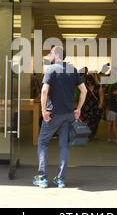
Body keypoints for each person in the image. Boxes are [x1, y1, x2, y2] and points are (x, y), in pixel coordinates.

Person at [33, 46, 87, 189]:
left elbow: (44, 91)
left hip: (53, 114)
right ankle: (61, 179)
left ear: (56, 55)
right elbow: (84, 90)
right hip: (68, 114)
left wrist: (44, 110)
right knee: (64, 145)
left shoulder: (50, 69)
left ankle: (43, 177)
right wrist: (78, 109)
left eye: (50, 53)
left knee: (43, 142)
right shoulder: (72, 69)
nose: (49, 56)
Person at [81, 75, 104, 140]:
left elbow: (101, 95)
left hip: (96, 107)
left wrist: (101, 103)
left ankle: (93, 134)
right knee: (86, 120)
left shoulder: (98, 87)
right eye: (88, 82)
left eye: (90, 82)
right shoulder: (84, 87)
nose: (89, 84)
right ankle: (87, 134)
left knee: (95, 120)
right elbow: (82, 96)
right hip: (86, 107)